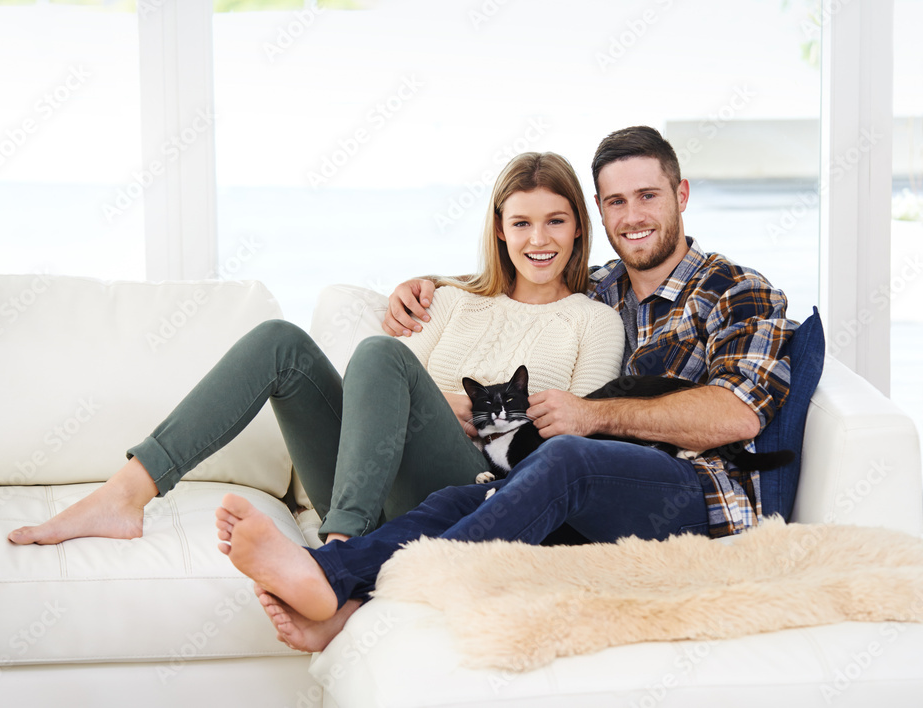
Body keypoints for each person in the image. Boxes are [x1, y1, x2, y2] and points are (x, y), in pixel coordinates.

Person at [214, 125, 796, 652]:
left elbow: (738, 414)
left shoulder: (739, 291)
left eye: (648, 196)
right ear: (599, 211)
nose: (633, 215)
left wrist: (594, 417)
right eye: (616, 201)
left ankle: (359, 600)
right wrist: (427, 285)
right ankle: (330, 574)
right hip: (591, 485)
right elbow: (522, 275)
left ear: (682, 195)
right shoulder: (605, 286)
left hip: (697, 491)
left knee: (566, 455)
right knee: (461, 499)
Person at [8, 151, 624, 546]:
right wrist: (443, 405)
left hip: (475, 497)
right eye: (522, 222)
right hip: (364, 489)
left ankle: (337, 552)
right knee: (282, 343)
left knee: (383, 355)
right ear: (498, 228)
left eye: (556, 221)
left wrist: (453, 414)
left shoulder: (593, 323)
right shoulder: (451, 300)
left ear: (578, 227)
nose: (539, 239)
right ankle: (126, 494)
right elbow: (384, 389)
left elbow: (582, 453)